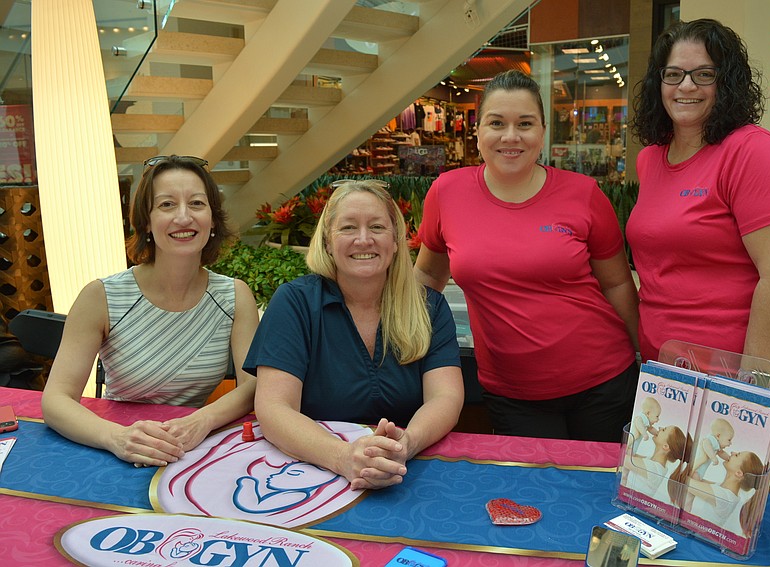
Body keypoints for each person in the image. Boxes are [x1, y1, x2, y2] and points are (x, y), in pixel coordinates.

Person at [626, 19, 770, 473]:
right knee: (660, 497)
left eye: (703, 74)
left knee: (718, 513)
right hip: (668, 374)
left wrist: (751, 387)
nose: (685, 85)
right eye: (673, 74)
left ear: (725, 82)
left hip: (740, 379)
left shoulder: (751, 152)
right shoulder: (652, 158)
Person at [414, 70, 639, 442]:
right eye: (496, 123)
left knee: (600, 496)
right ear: (478, 130)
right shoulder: (446, 193)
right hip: (512, 393)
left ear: (543, 130)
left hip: (604, 382)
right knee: (532, 497)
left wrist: (644, 355)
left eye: (525, 123)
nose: (511, 136)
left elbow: (616, 283)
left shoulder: (584, 194)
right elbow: (427, 279)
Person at [245, 180, 464, 490]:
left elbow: (446, 397)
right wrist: (342, 457)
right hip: (313, 472)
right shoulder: (295, 302)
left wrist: (408, 444)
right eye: (348, 228)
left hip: (408, 472)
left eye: (377, 227)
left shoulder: (430, 305)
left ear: (396, 240)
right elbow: (273, 408)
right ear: (327, 242)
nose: (364, 240)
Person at [42, 155, 259, 467]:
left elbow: (252, 385)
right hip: (118, 448)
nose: (184, 217)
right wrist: (116, 438)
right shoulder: (102, 296)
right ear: (145, 220)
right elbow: (56, 400)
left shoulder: (234, 296)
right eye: (167, 205)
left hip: (194, 449)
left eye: (197, 203)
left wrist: (203, 420)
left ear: (213, 219)